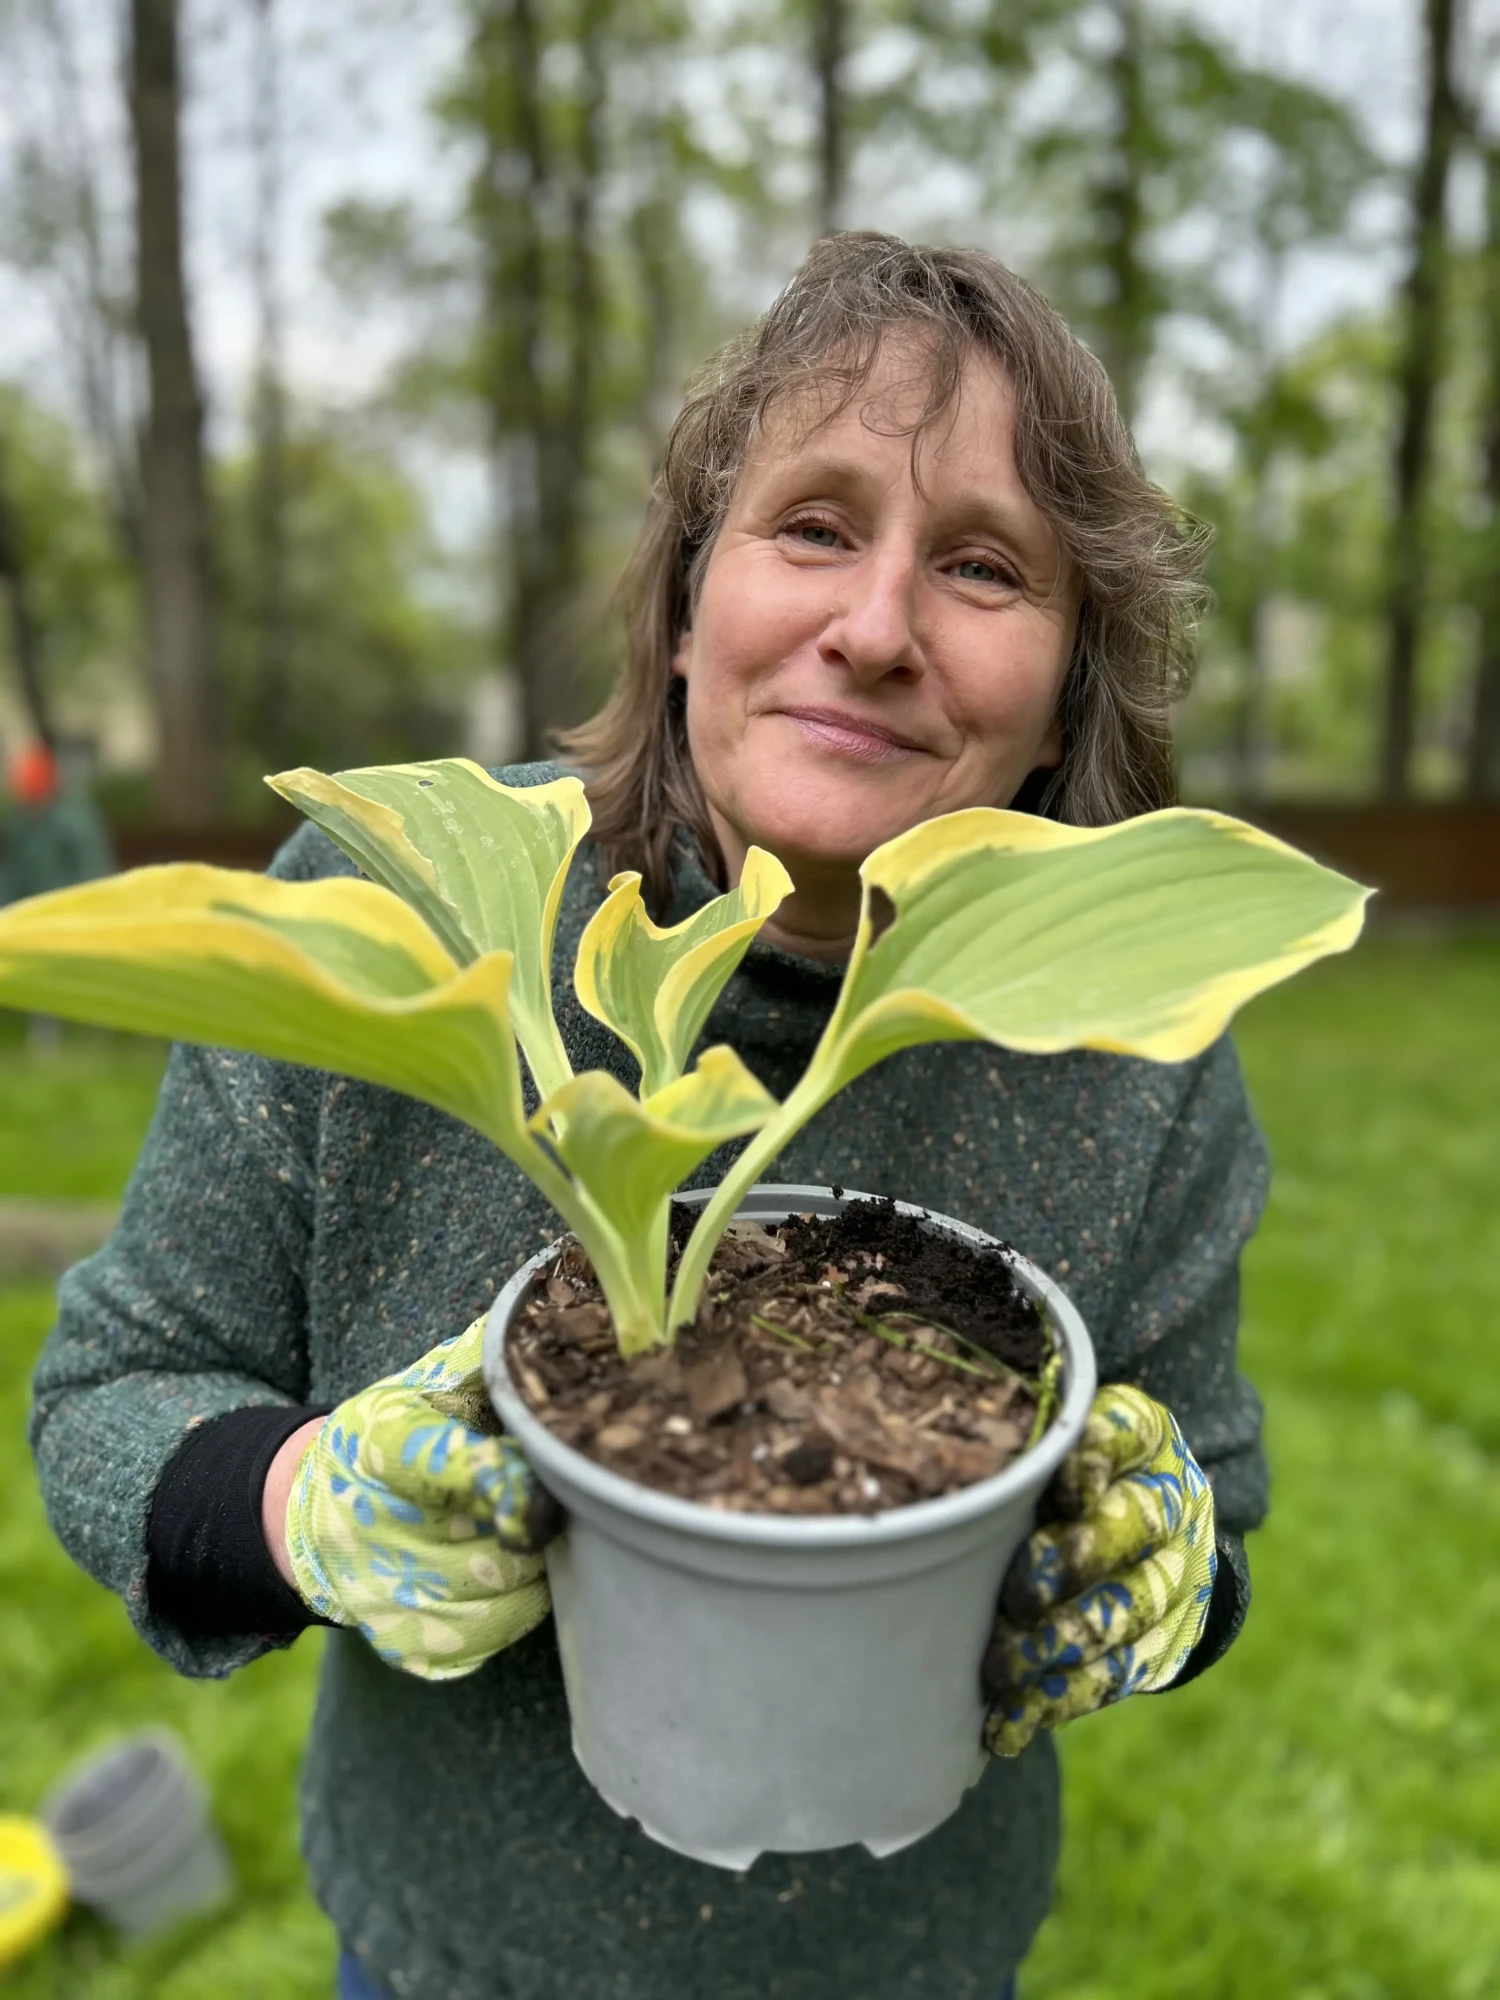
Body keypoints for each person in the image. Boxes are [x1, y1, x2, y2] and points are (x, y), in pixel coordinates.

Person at [30, 234, 1267, 2000]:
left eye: (985, 567)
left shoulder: (1136, 1041)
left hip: (907, 1958)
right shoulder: (406, 917)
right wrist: (305, 1503)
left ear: (1071, 676)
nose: (875, 627)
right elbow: (111, 1397)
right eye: (815, 526)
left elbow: (1208, 1485)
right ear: (690, 600)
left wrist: (1163, 1562)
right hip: (455, 1954)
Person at [1, 738, 114, 1050]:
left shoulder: (76, 822)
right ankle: (46, 1034)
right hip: (37, 915)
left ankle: (98, 1028)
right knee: (37, 959)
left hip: (78, 911)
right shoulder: (22, 826)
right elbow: (14, 876)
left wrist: (82, 911)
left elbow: (93, 870)